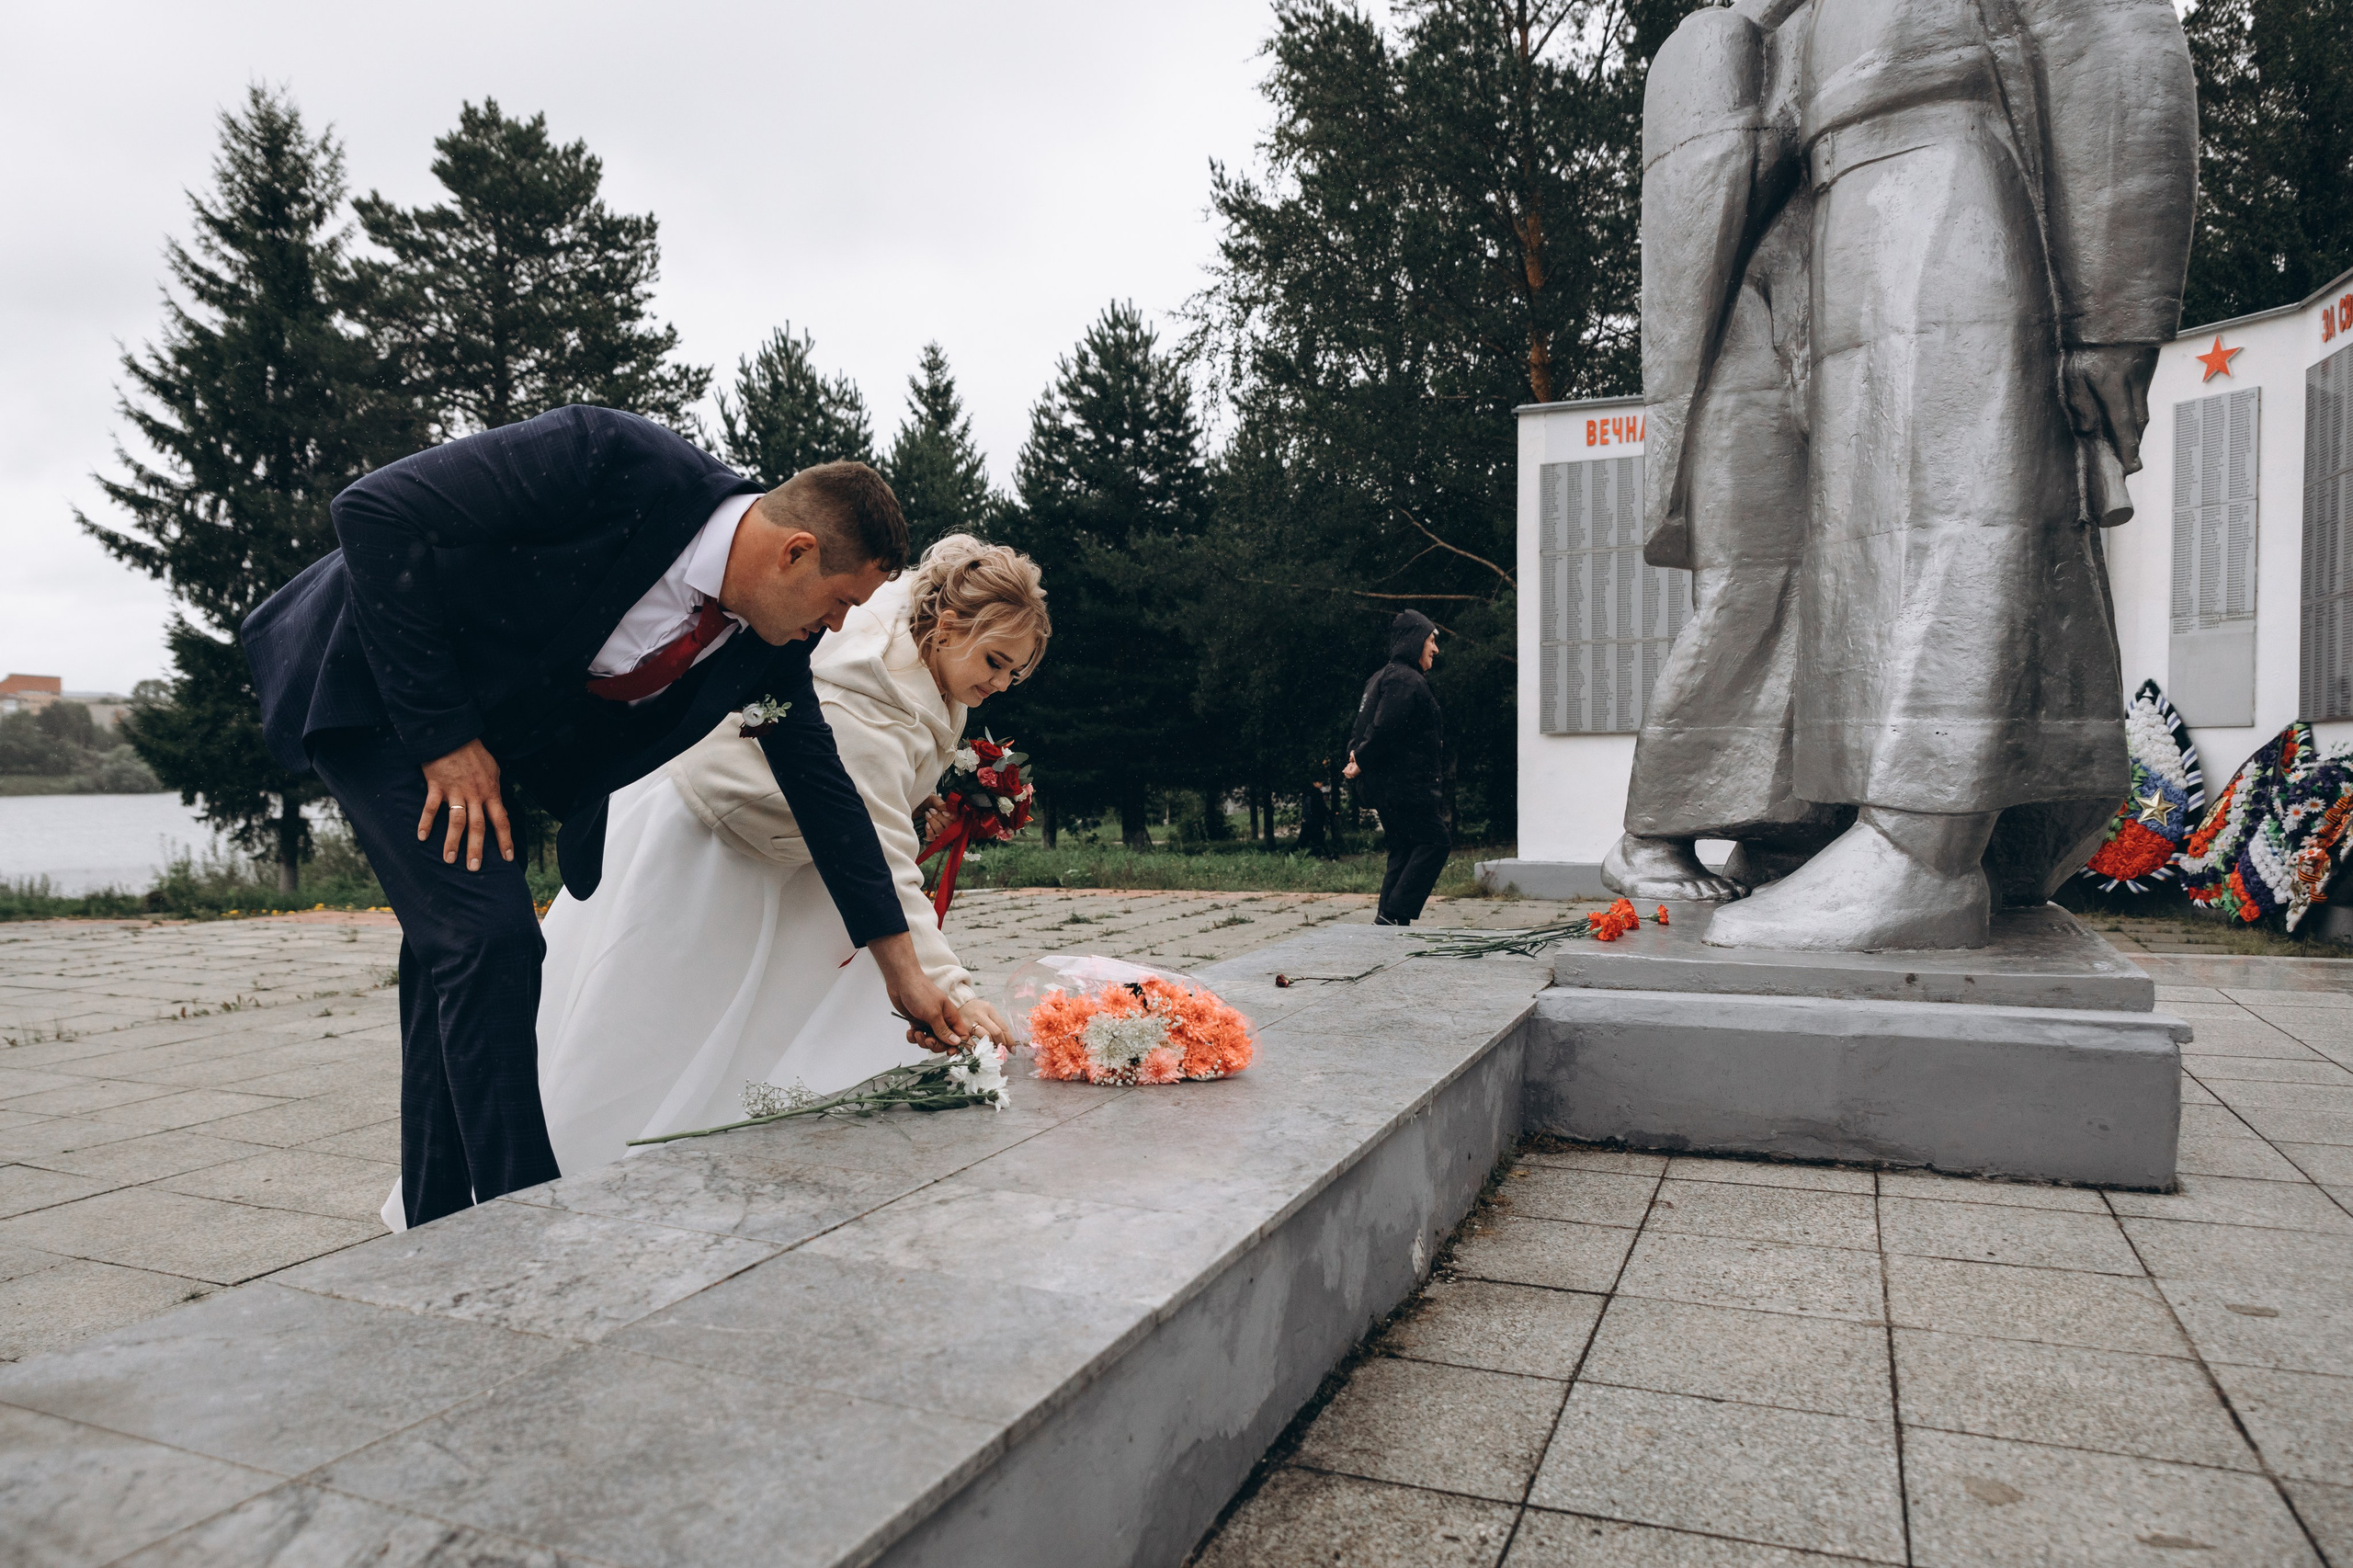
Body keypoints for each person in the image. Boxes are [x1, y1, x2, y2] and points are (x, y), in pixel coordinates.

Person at [242, 406, 972, 1230]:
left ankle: (437, 1215)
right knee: (495, 940)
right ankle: (525, 1224)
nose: (838, 626)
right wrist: (446, 741)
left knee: (451, 950)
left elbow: (829, 799)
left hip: (481, 734)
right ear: (795, 551)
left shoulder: (765, 648)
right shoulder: (611, 457)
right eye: (840, 601)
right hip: (380, 679)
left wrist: (903, 972)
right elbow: (371, 510)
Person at [1605, 0, 2195, 951]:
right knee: (1821, 555)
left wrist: (2114, 306)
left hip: (1948, 160)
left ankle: (1922, 844)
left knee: (1952, 507)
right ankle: (1808, 828)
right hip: (1805, 208)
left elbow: (2109, 29)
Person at [518, 535, 1050, 1181]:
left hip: (794, 855)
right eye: (996, 662)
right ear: (946, 624)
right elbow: (882, 860)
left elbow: (877, 796)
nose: (999, 685)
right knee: (645, 1031)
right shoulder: (868, 695)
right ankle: (557, 1172)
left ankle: (733, 1163)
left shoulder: (924, 649)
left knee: (774, 1030)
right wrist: (955, 992)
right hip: (711, 844)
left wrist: (925, 793)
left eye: (1015, 674)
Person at [1346, 610, 1448, 926]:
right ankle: (1394, 913)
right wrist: (1360, 760)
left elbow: (1361, 728)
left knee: (1403, 848)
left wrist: (1354, 756)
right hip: (1405, 787)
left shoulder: (1379, 678)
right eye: (1431, 640)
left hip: (1390, 787)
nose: (1436, 649)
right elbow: (1384, 729)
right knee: (1436, 841)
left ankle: (1387, 921)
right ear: (1415, 641)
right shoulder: (1406, 679)